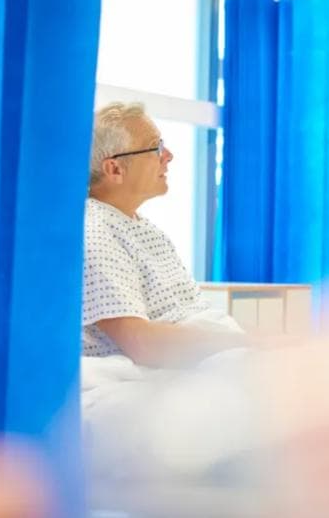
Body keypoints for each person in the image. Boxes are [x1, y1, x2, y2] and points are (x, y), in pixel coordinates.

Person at [83, 102, 244, 367]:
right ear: (115, 169)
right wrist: (244, 343)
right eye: (155, 147)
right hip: (186, 365)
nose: (168, 155)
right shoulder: (95, 231)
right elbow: (141, 344)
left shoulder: (142, 228)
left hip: (211, 354)